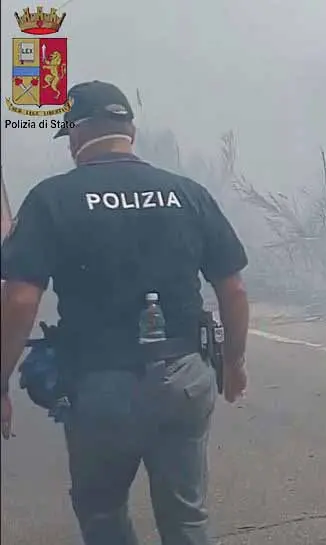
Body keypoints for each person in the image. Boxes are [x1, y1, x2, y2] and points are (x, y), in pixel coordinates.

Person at [0, 80, 251, 545]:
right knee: (187, 519)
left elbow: (19, 300)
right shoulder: (187, 193)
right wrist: (233, 362)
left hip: (100, 387)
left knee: (103, 515)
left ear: (77, 134)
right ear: (129, 129)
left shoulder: (53, 198)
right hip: (184, 377)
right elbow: (232, 289)